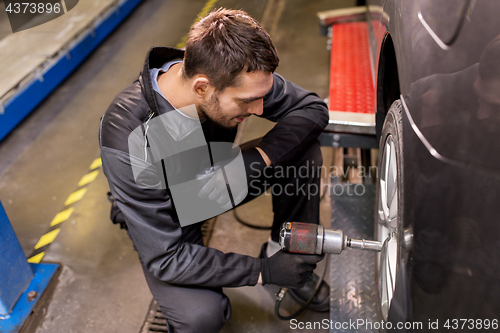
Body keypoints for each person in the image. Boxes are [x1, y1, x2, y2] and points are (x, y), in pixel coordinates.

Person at [100, 8, 329, 333]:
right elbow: (166, 258)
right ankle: (276, 268)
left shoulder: (233, 70)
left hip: (213, 177)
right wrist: (262, 271)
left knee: (302, 150)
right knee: (202, 317)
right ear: (202, 88)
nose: (260, 110)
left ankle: (291, 257)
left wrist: (261, 156)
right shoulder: (128, 136)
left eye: (262, 97)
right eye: (247, 101)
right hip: (168, 212)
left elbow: (312, 107)